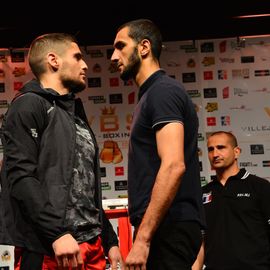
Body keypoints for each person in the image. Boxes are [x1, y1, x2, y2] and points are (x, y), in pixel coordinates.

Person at [0, 33, 124, 270]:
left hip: (91, 248)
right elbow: (21, 177)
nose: (85, 65)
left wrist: (109, 240)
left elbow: (85, 188)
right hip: (51, 250)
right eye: (77, 57)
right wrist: (56, 234)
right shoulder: (29, 104)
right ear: (53, 61)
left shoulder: (74, 112)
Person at [111, 19, 205, 270]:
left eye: (120, 46)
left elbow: (174, 165)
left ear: (144, 47)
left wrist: (142, 239)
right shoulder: (150, 95)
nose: (113, 56)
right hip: (162, 227)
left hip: (169, 226)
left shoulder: (162, 92)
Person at [192, 131, 270, 270]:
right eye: (210, 149)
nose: (215, 154)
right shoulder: (202, 193)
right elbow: (200, 242)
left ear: (237, 152)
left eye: (221, 147)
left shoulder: (260, 187)